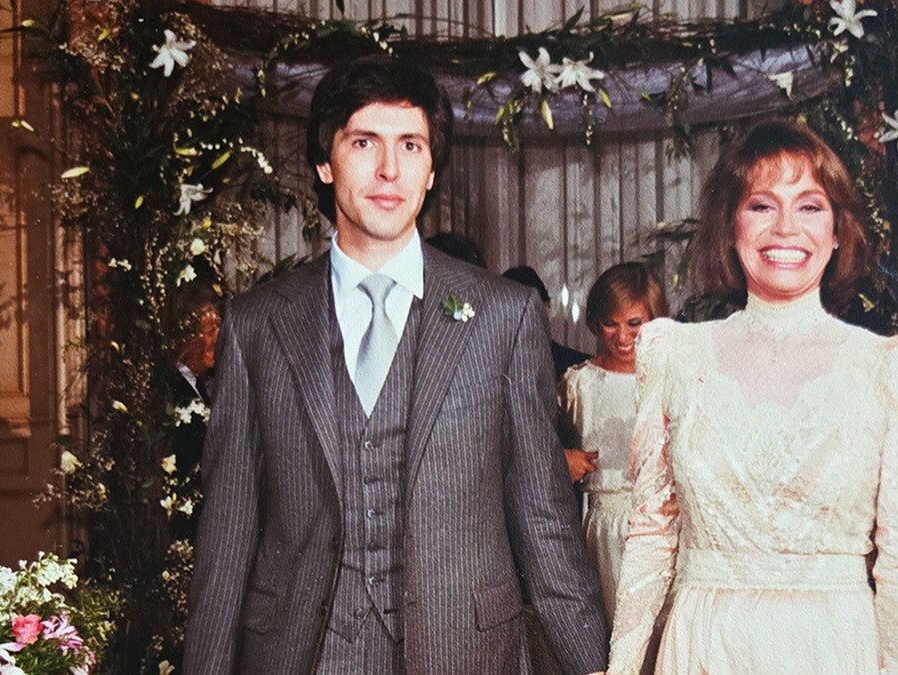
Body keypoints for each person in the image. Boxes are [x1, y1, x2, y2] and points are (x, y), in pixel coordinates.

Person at [184, 56, 607, 675]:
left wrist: (590, 664)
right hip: (300, 655)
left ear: (431, 169)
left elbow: (543, 520)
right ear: (326, 163)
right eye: (364, 142)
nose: (389, 169)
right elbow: (226, 535)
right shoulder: (258, 324)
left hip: (465, 651)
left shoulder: (502, 315)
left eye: (410, 145)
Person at [607, 120, 898, 674]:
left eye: (810, 207)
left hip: (832, 647)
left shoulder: (888, 365)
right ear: (731, 227)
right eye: (762, 206)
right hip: (703, 647)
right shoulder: (675, 353)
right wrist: (621, 668)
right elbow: (652, 530)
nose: (786, 228)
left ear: (837, 231)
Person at [559, 262, 670, 621]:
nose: (623, 337)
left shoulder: (671, 378)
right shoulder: (579, 385)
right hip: (604, 528)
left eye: (634, 324)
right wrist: (561, 459)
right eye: (611, 324)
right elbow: (538, 447)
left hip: (664, 526)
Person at [502, 265, 591, 377]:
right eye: (510, 311)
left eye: (528, 310)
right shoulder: (486, 367)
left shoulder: (581, 367)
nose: (521, 320)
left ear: (546, 307)